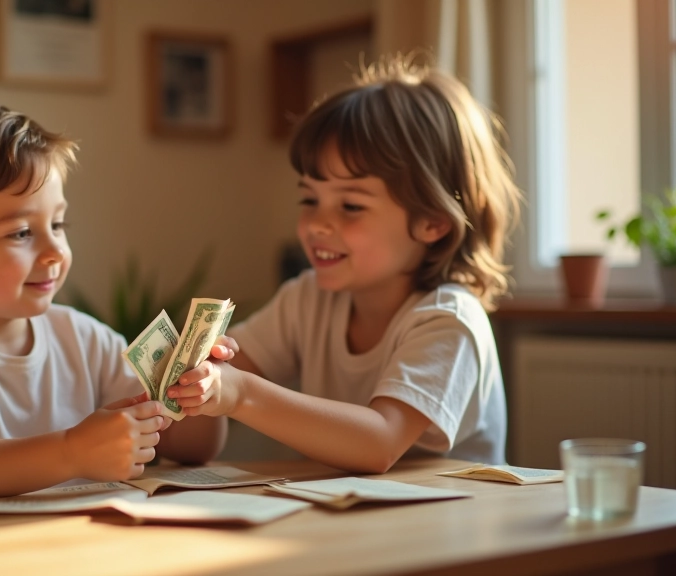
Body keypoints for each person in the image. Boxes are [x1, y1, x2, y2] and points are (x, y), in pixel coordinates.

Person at [0, 86, 227, 505]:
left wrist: (198, 391)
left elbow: (193, 447)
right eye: (21, 232)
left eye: (58, 225)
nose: (55, 251)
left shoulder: (85, 339)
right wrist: (71, 451)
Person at [171, 55, 521, 472]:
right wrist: (195, 388)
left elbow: (380, 442)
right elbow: (192, 440)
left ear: (433, 222)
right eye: (310, 199)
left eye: (351, 205)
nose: (317, 224)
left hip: (455, 530)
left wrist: (239, 394)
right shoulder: (307, 299)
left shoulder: (448, 320)